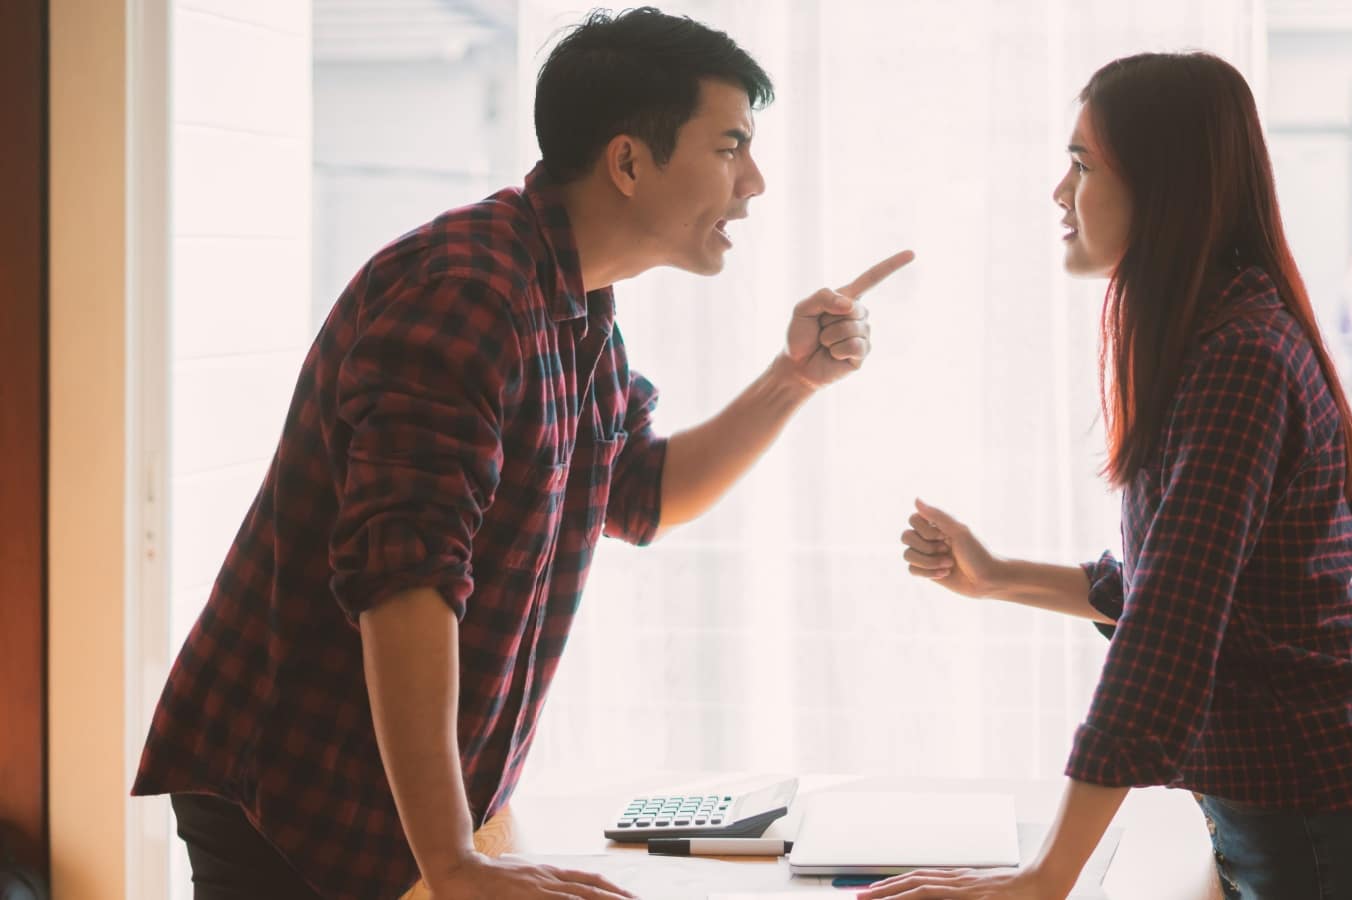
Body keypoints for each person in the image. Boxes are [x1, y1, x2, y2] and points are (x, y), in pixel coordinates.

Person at [132, 8, 912, 899]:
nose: (756, 181)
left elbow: (642, 494)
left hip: (404, 800)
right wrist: (455, 862)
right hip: (299, 783)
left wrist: (794, 378)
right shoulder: (466, 293)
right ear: (627, 161)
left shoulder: (574, 301)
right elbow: (403, 578)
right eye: (731, 145)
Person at [873, 51, 1352, 900]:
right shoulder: (1212, 339)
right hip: (1301, 816)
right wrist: (997, 576)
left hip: (1334, 824)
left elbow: (1169, 636)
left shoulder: (1240, 358)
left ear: (1166, 185)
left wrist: (1045, 878)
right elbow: (1182, 593)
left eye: (1081, 164)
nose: (1058, 193)